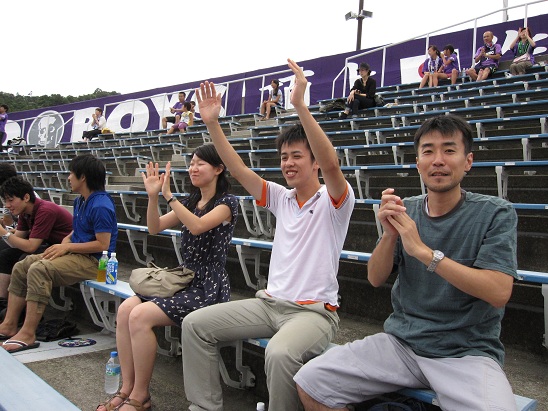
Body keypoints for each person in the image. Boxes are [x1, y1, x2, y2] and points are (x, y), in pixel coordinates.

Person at [294, 114, 519, 411]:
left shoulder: (496, 213)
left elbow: (498, 291)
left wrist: (425, 253)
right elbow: (375, 277)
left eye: (449, 150)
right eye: (428, 151)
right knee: (310, 381)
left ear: (468, 161)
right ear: (418, 164)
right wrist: (388, 236)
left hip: (466, 353)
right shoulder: (406, 209)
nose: (438, 160)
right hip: (401, 344)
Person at [182, 58, 355, 411]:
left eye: (297, 156)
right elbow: (237, 168)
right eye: (283, 157)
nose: (288, 163)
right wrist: (213, 124)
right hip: (268, 304)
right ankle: (204, 407)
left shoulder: (335, 201)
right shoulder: (281, 198)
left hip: (313, 314)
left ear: (314, 162)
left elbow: (333, 164)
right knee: (195, 324)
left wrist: (300, 107)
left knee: (278, 353)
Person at [96, 144, 238, 411]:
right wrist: (153, 197)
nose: (193, 168)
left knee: (140, 316)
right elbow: (154, 227)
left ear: (218, 169)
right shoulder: (190, 202)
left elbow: (196, 226)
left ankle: (141, 396)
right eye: (192, 163)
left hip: (209, 287)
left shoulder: (227, 202)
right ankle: (126, 389)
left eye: (200, 164)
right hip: (186, 281)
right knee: (127, 308)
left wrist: (169, 195)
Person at [0, 154, 117, 353]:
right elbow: (80, 227)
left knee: (39, 269)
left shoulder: (101, 205)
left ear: (83, 177)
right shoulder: (82, 201)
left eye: (72, 173)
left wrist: (67, 247)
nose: (68, 177)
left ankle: (28, 333)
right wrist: (69, 238)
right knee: (21, 266)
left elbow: (102, 243)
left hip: (95, 262)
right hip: (76, 254)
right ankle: (9, 325)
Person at [0, 177, 73, 300]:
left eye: (11, 200)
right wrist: (5, 232)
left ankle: (22, 307)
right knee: (6, 254)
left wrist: (3, 233)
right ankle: (2, 300)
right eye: (6, 201)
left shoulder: (45, 210)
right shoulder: (24, 212)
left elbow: (31, 246)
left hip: (66, 249)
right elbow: (16, 241)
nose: (8, 206)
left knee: (25, 260)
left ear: (26, 197)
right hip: (50, 246)